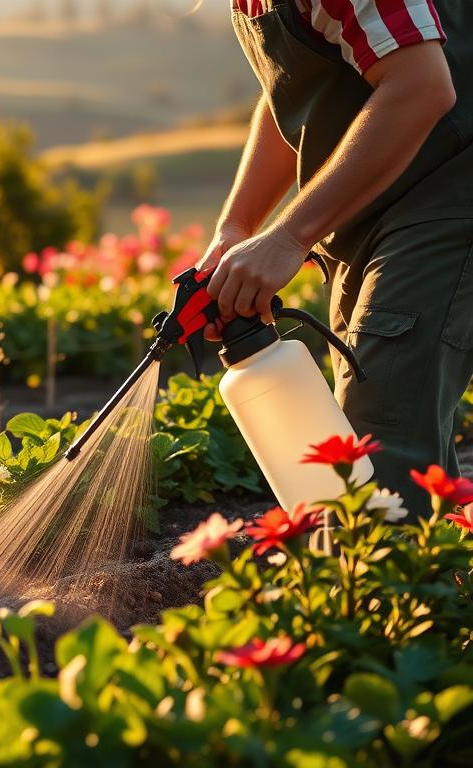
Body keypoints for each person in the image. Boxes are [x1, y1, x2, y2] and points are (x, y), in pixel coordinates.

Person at [199, 0, 473, 515]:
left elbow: (421, 86)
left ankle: (387, 594)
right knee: (375, 432)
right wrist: (236, 227)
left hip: (450, 193)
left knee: (380, 435)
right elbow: (294, 89)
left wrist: (287, 237)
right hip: (372, 211)